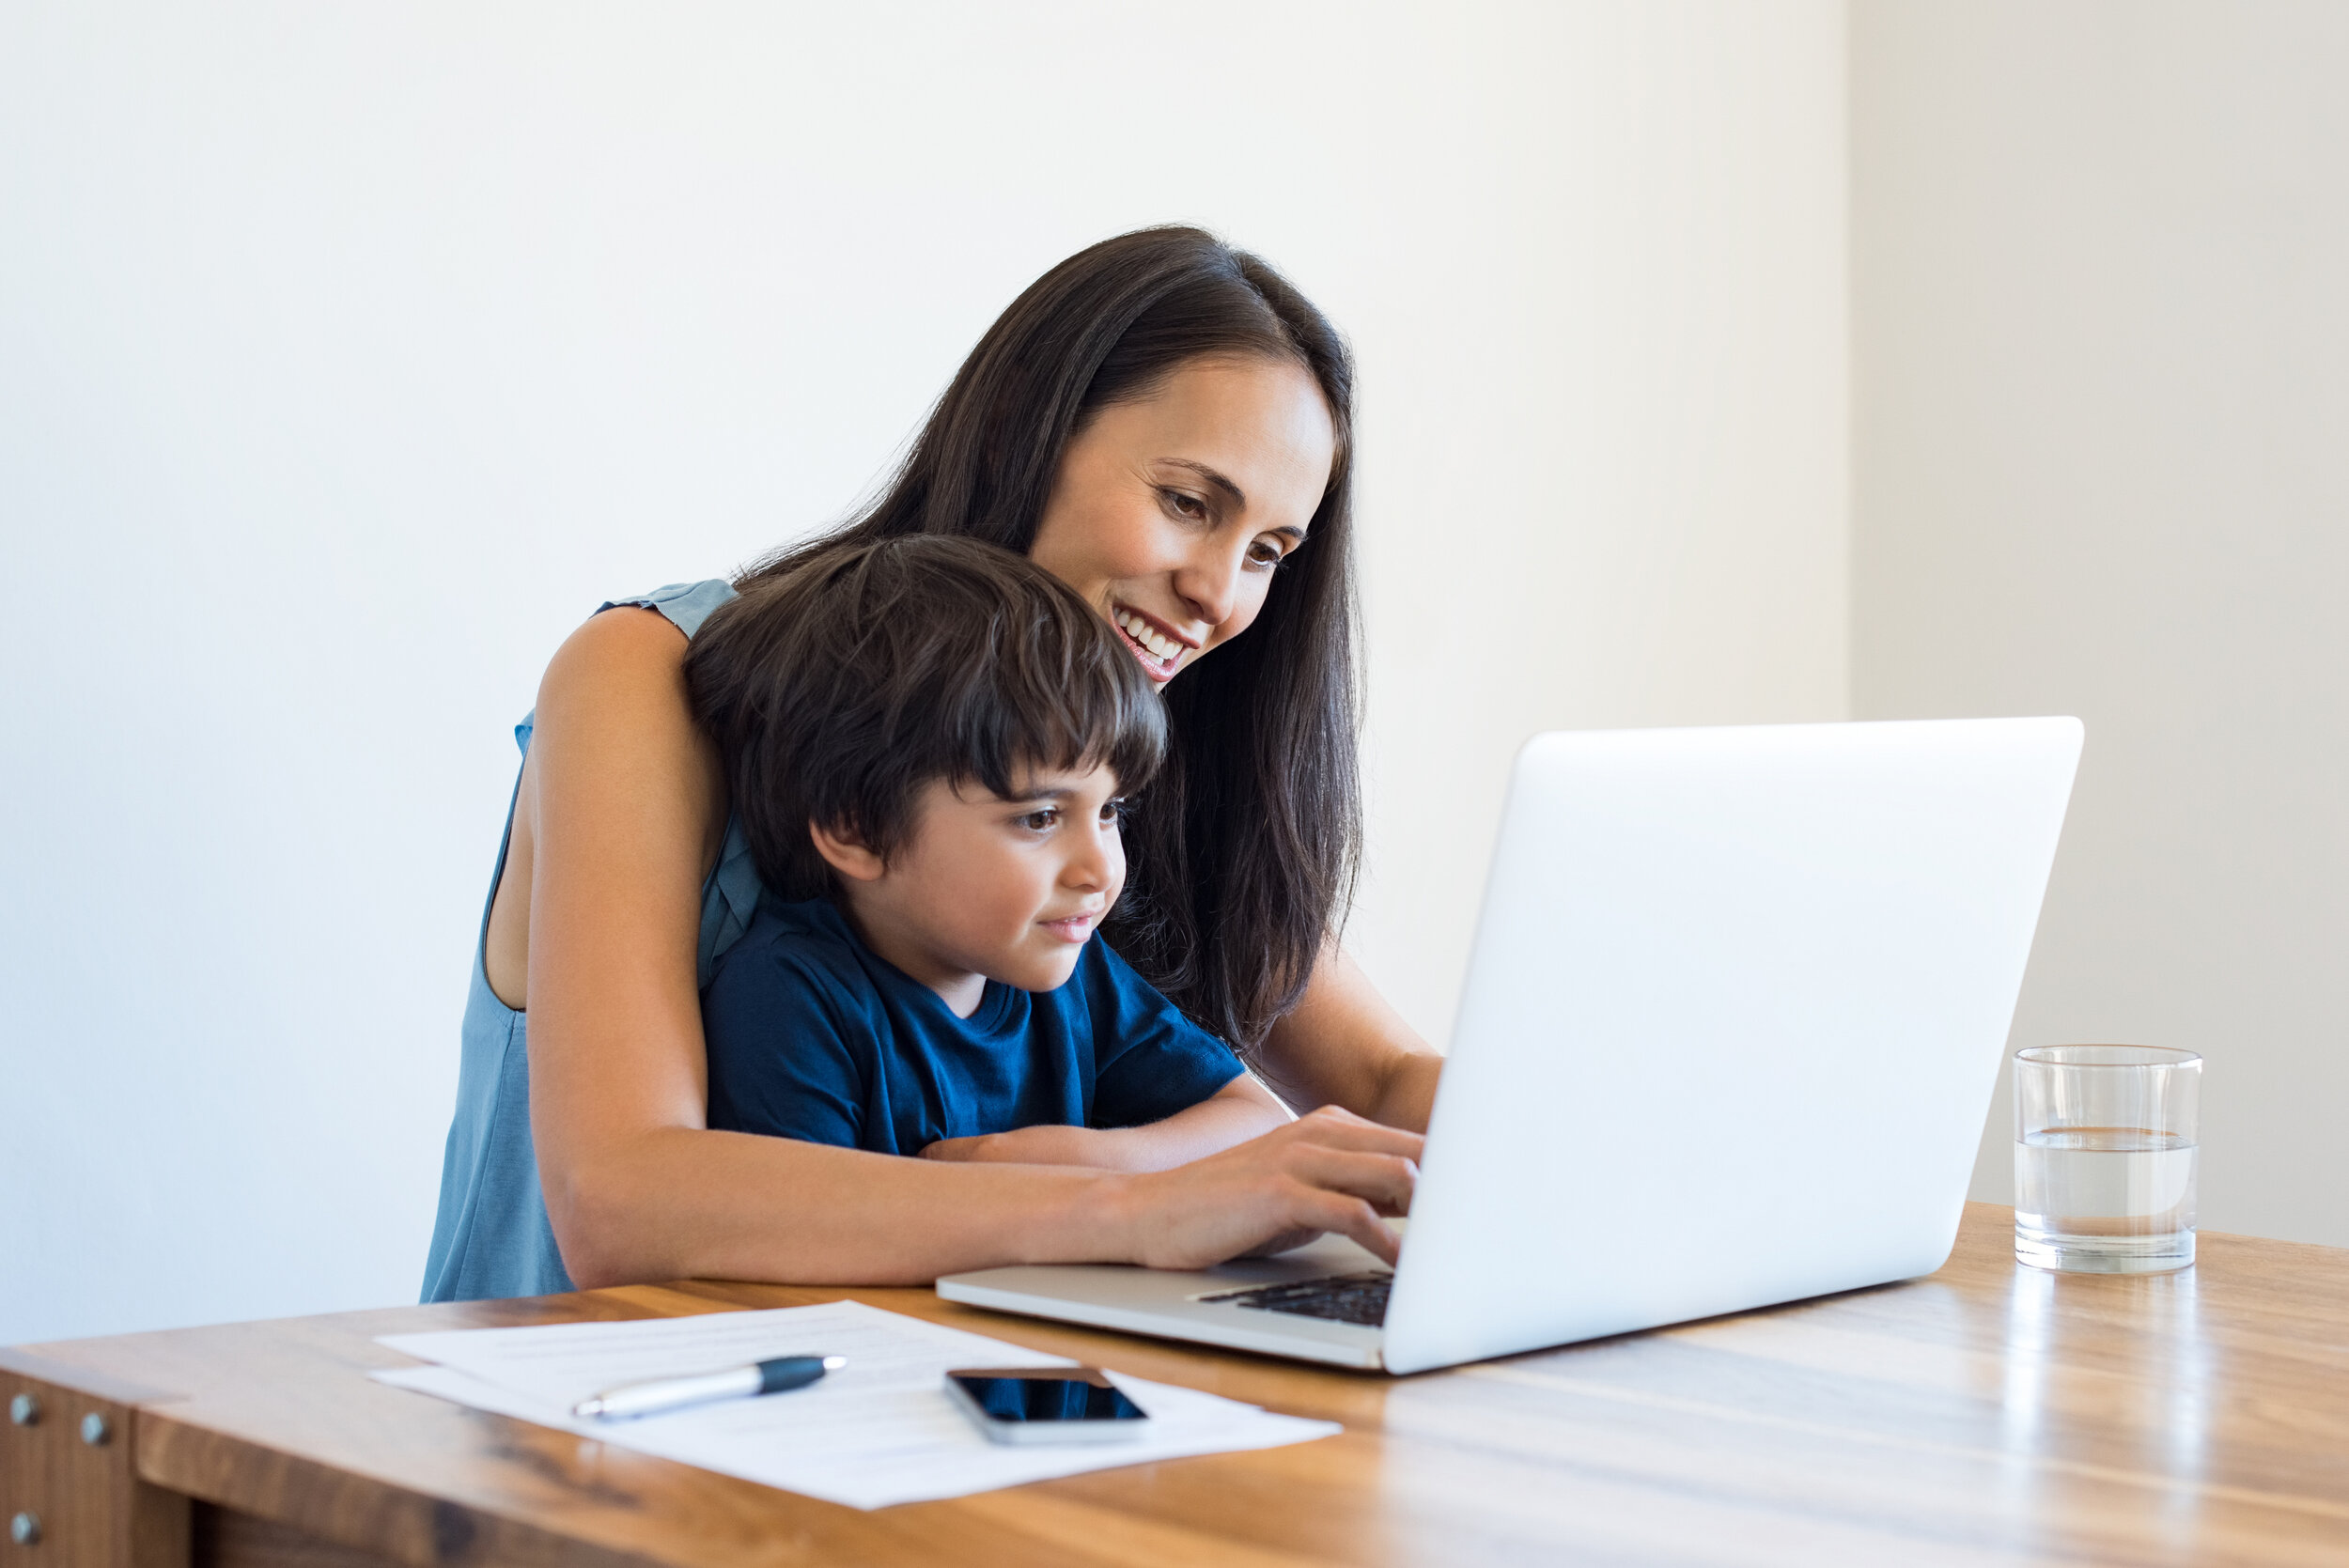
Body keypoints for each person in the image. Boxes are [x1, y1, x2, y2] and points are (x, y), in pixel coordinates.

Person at [422, 225, 1439, 1303]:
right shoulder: (653, 674)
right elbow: (622, 1198)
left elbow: (1377, 1083)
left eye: (1269, 554)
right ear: (1023, 436)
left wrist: (1594, 1150)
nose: (1222, 597)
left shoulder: (1122, 758)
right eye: (1188, 503)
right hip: (572, 1431)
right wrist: (1136, 1205)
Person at [691, 534, 1288, 1165]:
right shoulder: (788, 999)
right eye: (1040, 817)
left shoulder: (1071, 969)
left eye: (1111, 810)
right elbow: (800, 1231)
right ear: (857, 829)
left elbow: (1255, 1122)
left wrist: (1093, 1166)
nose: (1100, 870)